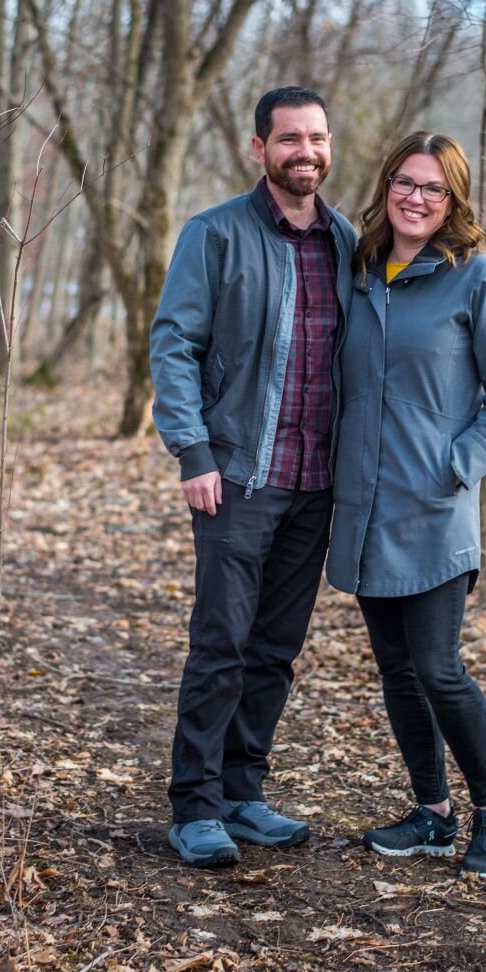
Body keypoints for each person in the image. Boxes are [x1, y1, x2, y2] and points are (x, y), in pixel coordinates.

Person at [149, 87, 356, 868]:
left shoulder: (346, 241)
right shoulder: (216, 234)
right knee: (222, 643)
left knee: (275, 649)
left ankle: (244, 793)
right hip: (237, 474)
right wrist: (192, 451)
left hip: (315, 483)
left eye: (318, 138)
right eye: (290, 139)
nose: (306, 151)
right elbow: (174, 345)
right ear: (259, 148)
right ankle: (194, 805)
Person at [326, 131, 486, 879]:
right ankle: (432, 814)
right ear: (386, 187)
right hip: (365, 507)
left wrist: (461, 464)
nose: (416, 198)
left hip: (436, 507)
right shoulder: (361, 272)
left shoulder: (479, 278)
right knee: (396, 672)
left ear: (454, 201)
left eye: (434, 189)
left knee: (439, 668)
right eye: (405, 183)